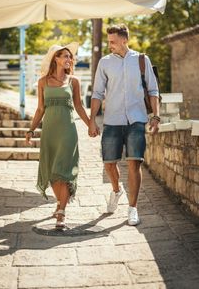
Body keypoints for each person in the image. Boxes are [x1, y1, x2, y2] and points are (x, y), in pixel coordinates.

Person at [89, 24, 160, 226]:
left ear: (124, 40)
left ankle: (133, 208)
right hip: (112, 120)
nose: (109, 44)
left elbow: (153, 91)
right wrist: (92, 120)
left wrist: (156, 116)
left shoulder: (141, 60)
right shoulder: (105, 63)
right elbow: (97, 93)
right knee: (109, 163)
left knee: (134, 162)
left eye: (112, 41)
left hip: (136, 120)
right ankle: (116, 190)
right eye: (108, 41)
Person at [26, 42, 89, 228]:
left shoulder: (73, 81)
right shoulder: (43, 82)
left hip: (68, 131)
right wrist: (31, 130)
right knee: (53, 171)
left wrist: (90, 125)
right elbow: (40, 109)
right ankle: (60, 203)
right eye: (65, 56)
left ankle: (61, 212)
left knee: (66, 170)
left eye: (70, 57)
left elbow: (79, 106)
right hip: (49, 132)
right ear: (56, 58)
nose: (69, 59)